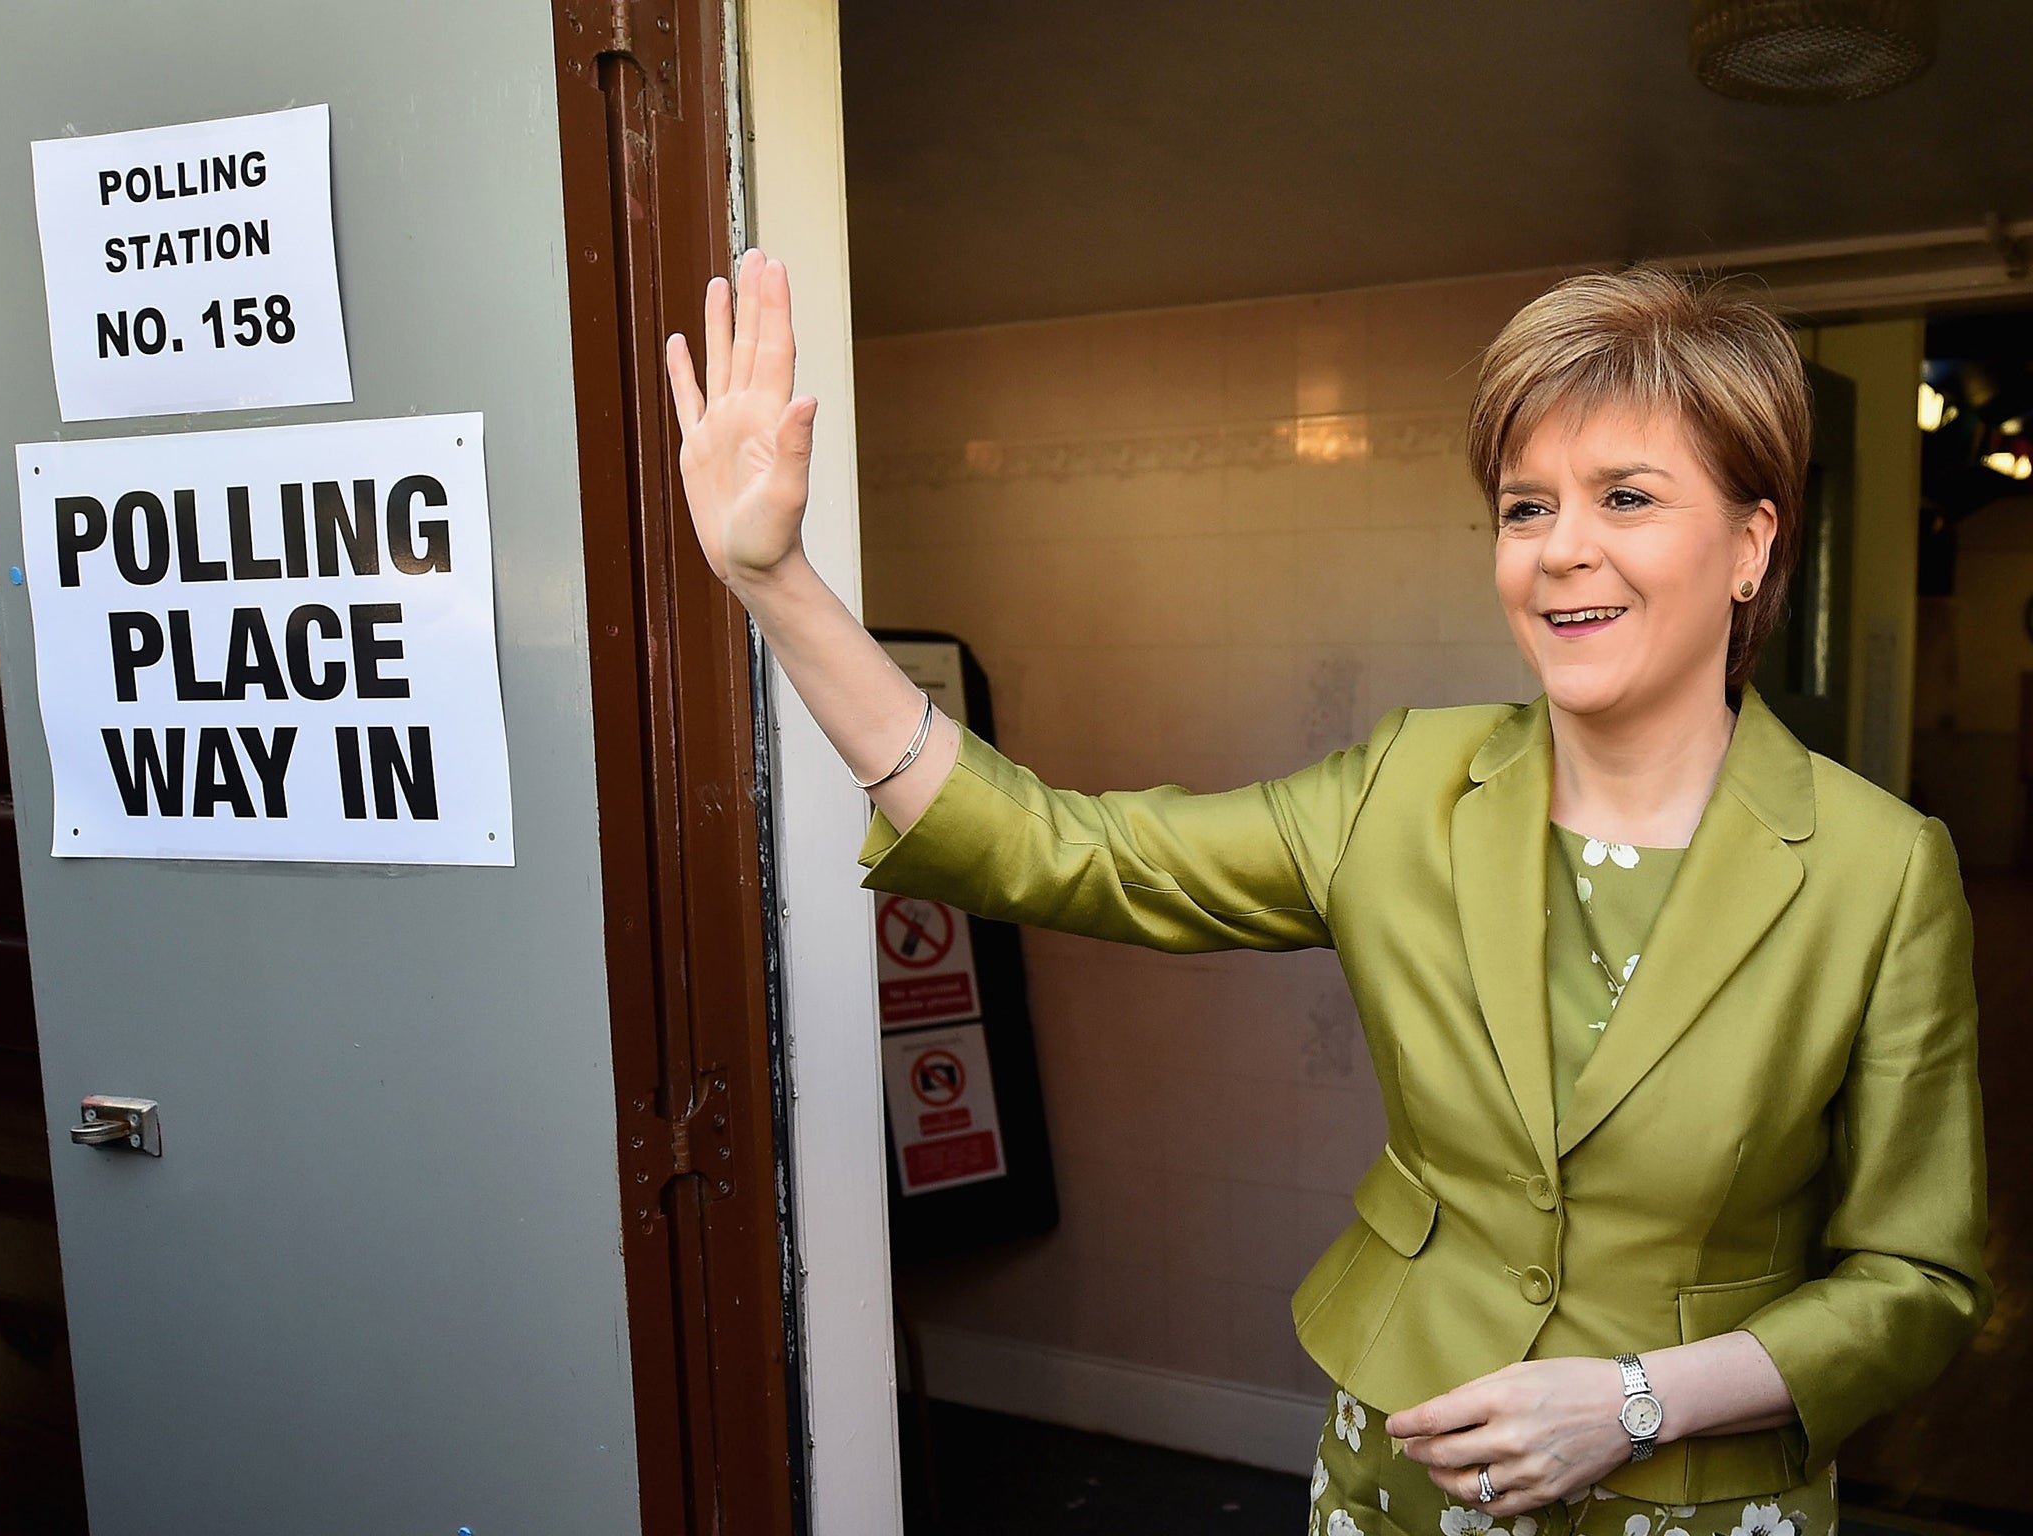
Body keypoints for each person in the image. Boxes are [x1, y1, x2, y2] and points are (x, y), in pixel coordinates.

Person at [665, 251, 1992, 1536]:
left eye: (1627, 497)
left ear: (1754, 542)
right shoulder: (1404, 788)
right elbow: (1057, 850)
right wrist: (775, 583)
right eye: (1526, 506)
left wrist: (1638, 1403)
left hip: (1702, 1502)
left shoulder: (1880, 870)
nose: (1559, 550)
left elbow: (1917, 1281)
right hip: (1404, 1482)